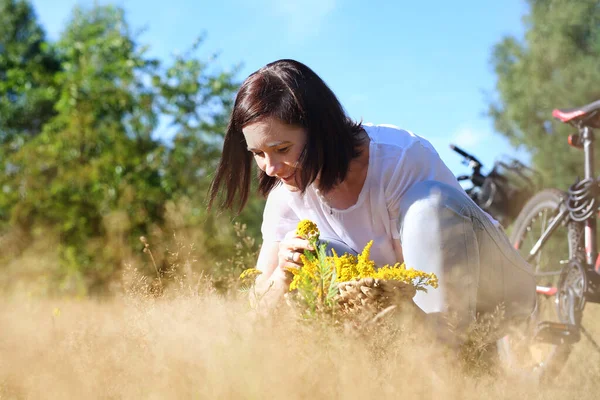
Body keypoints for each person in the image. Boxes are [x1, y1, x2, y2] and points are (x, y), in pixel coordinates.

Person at [208, 59, 536, 345]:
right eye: (258, 154)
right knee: (311, 254)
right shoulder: (286, 197)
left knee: (428, 207)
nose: (271, 168)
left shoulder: (400, 158)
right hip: (412, 326)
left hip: (495, 294)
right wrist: (283, 275)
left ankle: (452, 366)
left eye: (282, 149)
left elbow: (420, 281)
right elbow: (253, 324)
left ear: (320, 130)